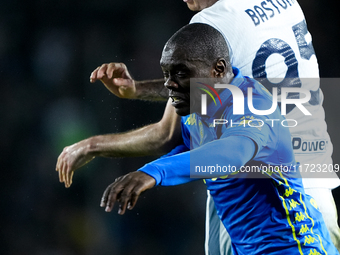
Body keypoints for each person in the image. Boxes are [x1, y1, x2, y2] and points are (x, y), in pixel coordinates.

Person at [56, 0, 340, 253]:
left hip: (262, 191)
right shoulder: (284, 3)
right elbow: (200, 86)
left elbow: (165, 133)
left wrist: (93, 146)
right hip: (313, 169)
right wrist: (137, 89)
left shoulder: (212, 23)